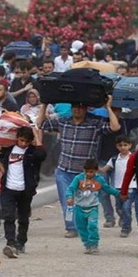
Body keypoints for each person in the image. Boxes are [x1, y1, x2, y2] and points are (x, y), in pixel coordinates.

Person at [38, 95, 120, 237]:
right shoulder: (63, 122)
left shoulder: (94, 123)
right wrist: (44, 104)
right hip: (64, 170)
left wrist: (108, 107)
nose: (77, 109)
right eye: (75, 106)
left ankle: (85, 225)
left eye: (80, 107)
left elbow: (115, 127)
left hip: (85, 173)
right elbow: (40, 124)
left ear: (85, 109)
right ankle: (71, 228)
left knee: (85, 202)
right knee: (67, 201)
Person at [0, 126, 46, 258]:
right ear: (16, 138)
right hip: (8, 188)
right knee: (8, 216)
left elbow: (42, 155)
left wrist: (36, 136)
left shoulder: (32, 152)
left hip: (25, 190)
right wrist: (0, 167)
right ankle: (10, 243)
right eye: (21, 140)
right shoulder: (8, 150)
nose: (23, 144)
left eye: (26, 141)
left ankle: (21, 242)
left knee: (23, 218)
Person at [100, 136, 137, 238]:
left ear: (130, 145)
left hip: (131, 187)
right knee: (119, 208)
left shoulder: (134, 157)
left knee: (126, 208)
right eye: (120, 145)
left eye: (125, 145)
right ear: (117, 146)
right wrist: (95, 169)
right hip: (118, 188)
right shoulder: (114, 159)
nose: (123, 147)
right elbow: (104, 169)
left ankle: (126, 228)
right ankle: (125, 218)